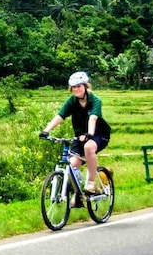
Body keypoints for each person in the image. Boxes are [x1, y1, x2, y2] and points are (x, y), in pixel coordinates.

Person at [39, 71, 111, 202]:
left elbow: (93, 119)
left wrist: (89, 134)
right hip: (80, 136)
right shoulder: (71, 102)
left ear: (85, 86)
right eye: (73, 87)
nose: (76, 89)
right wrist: (46, 131)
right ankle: (78, 195)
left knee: (89, 148)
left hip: (98, 134)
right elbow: (60, 116)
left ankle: (91, 183)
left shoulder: (95, 100)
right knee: (72, 164)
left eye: (79, 86)